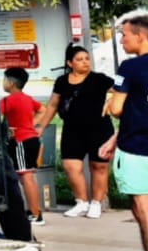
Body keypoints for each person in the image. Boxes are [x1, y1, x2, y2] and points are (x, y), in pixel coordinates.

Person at [100, 9, 148, 251]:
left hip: (137, 150)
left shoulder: (130, 67)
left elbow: (116, 109)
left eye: (125, 35)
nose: (123, 40)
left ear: (141, 36)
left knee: (145, 213)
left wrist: (112, 99)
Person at [37, 44, 114, 218]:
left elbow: (122, 90)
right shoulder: (62, 81)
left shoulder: (100, 79)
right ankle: (81, 202)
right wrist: (41, 127)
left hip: (99, 128)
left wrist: (112, 103)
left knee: (99, 166)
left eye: (87, 59)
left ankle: (96, 203)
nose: (85, 62)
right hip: (72, 129)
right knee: (71, 166)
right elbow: (52, 105)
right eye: (80, 60)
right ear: (70, 63)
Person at [1, 67, 44, 225]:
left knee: (26, 177)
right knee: (28, 176)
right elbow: (43, 110)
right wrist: (30, 125)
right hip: (31, 139)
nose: (3, 83)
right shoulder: (27, 98)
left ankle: (35, 214)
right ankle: (34, 211)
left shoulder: (9, 100)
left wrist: (15, 128)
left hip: (21, 141)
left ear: (11, 83)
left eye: (4, 79)